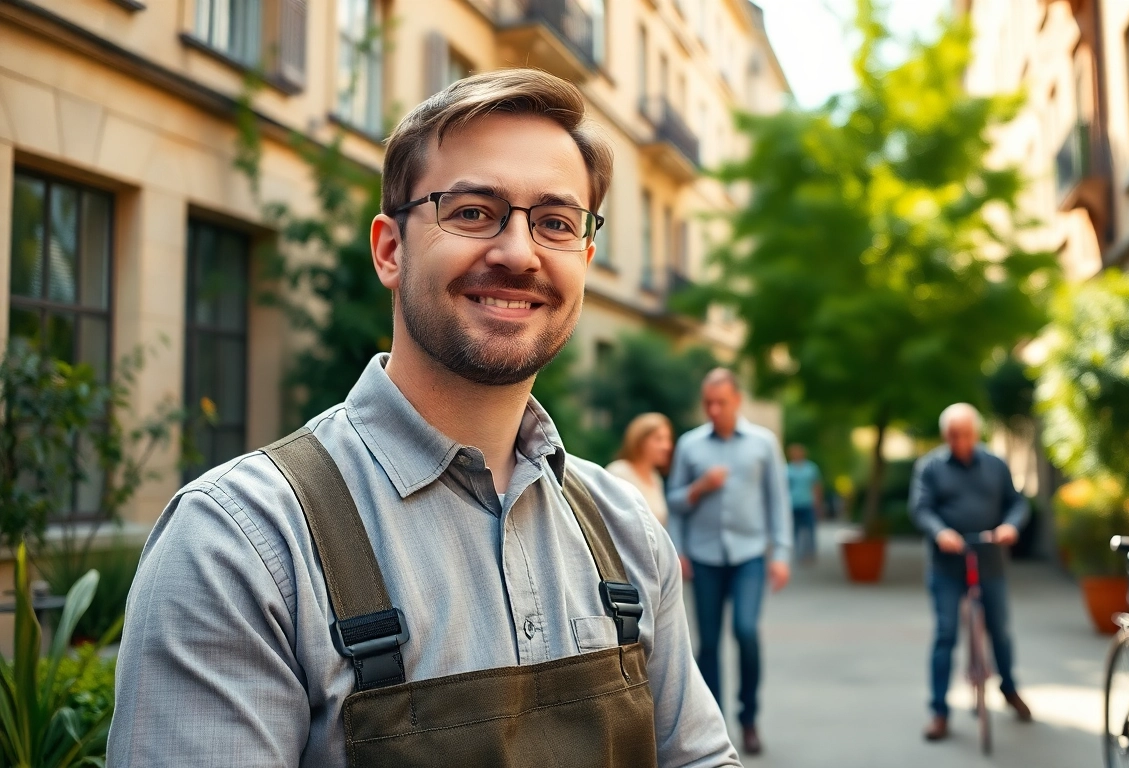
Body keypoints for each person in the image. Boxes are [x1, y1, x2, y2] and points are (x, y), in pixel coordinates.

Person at [109, 69, 738, 768]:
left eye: (556, 223)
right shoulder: (241, 544)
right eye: (472, 211)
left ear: (585, 260)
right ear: (389, 249)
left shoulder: (627, 533)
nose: (518, 253)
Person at [667, 368, 791, 756]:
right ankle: (713, 726)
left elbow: (778, 500)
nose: (714, 409)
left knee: (746, 632)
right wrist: (681, 545)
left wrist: (782, 553)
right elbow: (674, 503)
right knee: (707, 645)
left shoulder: (763, 443)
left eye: (721, 402)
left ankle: (749, 718)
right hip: (703, 557)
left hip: (750, 555)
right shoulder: (690, 446)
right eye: (708, 402)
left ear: (737, 400)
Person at [909, 403, 1033, 742]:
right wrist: (940, 532)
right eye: (952, 435)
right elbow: (920, 508)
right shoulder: (930, 466)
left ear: (975, 434)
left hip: (989, 561)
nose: (959, 441)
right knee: (945, 634)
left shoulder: (995, 464)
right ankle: (938, 711)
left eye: (964, 434)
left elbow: (1017, 503)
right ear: (944, 435)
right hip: (946, 565)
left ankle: (1008, 688)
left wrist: (1010, 526)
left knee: (1001, 630)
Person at [607, 412, 673, 526]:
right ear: (640, 441)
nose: (667, 446)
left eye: (668, 439)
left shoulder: (655, 478)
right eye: (659, 439)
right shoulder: (619, 472)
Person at [785, 444, 823, 563]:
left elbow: (816, 485)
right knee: (795, 530)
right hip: (793, 504)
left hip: (808, 503)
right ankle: (798, 555)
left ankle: (810, 554)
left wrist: (818, 502)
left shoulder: (811, 468)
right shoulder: (787, 469)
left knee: (810, 530)